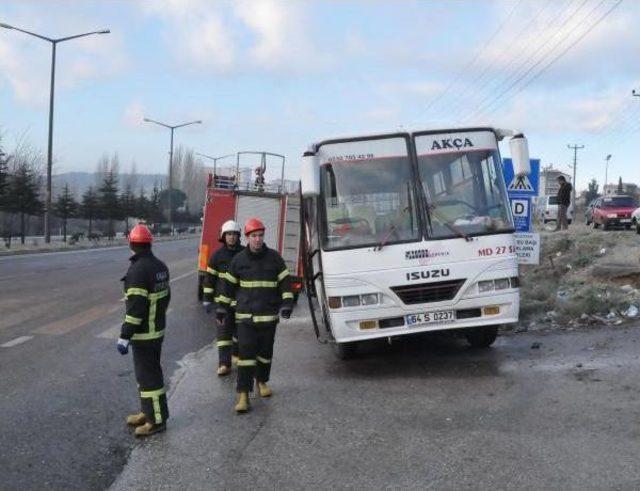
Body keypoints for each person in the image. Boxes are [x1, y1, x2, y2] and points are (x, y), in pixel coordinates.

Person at [218, 217, 293, 413]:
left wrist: (287, 304)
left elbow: (285, 284)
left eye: (260, 235)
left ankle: (262, 382)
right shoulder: (239, 260)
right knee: (245, 357)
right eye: (254, 236)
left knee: (265, 355)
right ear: (248, 237)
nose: (258, 239)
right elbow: (228, 287)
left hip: (268, 319)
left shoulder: (275, 258)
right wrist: (222, 309)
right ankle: (243, 395)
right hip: (245, 319)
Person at [117, 223, 171, 437]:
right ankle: (146, 411)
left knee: (149, 377)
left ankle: (156, 421)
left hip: (144, 333)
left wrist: (124, 335)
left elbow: (135, 309)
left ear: (131, 243)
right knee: (145, 375)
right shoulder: (160, 266)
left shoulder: (137, 270)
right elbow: (166, 298)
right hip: (156, 329)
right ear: (149, 243)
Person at [202, 220, 244, 376]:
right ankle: (224, 364)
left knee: (240, 333)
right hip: (223, 304)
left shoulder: (244, 254)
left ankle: (236, 355)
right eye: (229, 234)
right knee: (223, 334)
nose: (232, 237)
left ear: (238, 236)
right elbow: (209, 279)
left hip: (241, 302)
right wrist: (207, 298)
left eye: (234, 234)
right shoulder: (216, 256)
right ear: (223, 236)